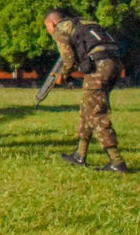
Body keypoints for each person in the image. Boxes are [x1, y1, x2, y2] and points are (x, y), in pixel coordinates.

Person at [44, 9, 129, 173]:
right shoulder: (84, 23)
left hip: (99, 67)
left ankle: (117, 162)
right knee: (87, 109)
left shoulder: (60, 29)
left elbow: (68, 60)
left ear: (51, 23)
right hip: (114, 63)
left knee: (96, 114)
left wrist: (63, 75)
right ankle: (80, 154)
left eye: (47, 27)